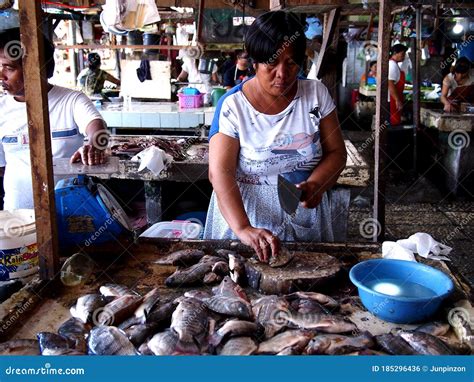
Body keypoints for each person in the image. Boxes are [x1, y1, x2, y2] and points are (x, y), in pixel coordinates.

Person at [204, 11, 347, 261]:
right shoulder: (233, 106)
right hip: (244, 210)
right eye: (272, 63)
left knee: (307, 286)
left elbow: (336, 152)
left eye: (291, 63)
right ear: (255, 61)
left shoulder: (316, 95)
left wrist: (316, 184)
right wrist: (243, 228)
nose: (282, 74)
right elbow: (220, 172)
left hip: (302, 211)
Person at [0, 28, 108, 210]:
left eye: (9, 68)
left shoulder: (71, 100)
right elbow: (2, 167)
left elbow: (96, 125)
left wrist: (93, 145)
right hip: (18, 217)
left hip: (70, 212)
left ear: (35, 66)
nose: (1, 75)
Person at [388, 44, 408, 126]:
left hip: (395, 98)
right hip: (392, 100)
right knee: (392, 123)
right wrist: (397, 100)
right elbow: (390, 83)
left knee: (395, 122)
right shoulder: (392, 65)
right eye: (402, 54)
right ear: (395, 53)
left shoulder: (395, 64)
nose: (403, 56)